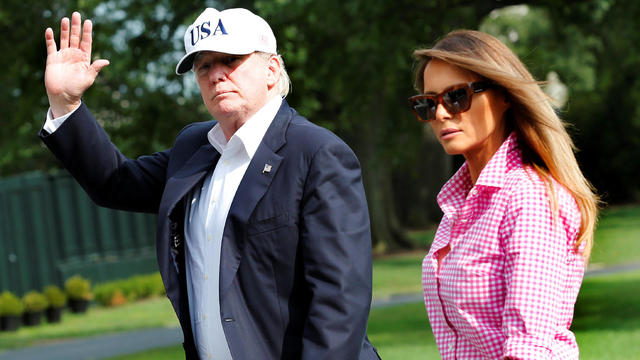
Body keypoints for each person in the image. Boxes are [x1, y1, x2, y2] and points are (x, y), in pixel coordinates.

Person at [40, 8, 380, 360]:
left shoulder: (317, 153)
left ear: (272, 69)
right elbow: (115, 183)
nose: (216, 75)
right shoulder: (194, 148)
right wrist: (66, 104)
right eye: (204, 66)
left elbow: (340, 299)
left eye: (231, 60)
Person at [409, 30, 598, 359]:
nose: (440, 114)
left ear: (504, 95)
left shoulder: (530, 199)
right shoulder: (463, 203)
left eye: (456, 97)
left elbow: (530, 348)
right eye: (428, 103)